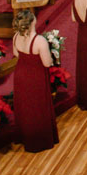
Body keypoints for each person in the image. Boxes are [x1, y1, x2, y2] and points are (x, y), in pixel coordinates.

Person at [11, 10, 58, 152]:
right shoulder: (39, 41)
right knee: (37, 106)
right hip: (35, 76)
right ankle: (39, 139)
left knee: (25, 106)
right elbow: (47, 63)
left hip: (20, 74)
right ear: (32, 22)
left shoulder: (15, 37)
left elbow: (16, 54)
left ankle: (26, 136)